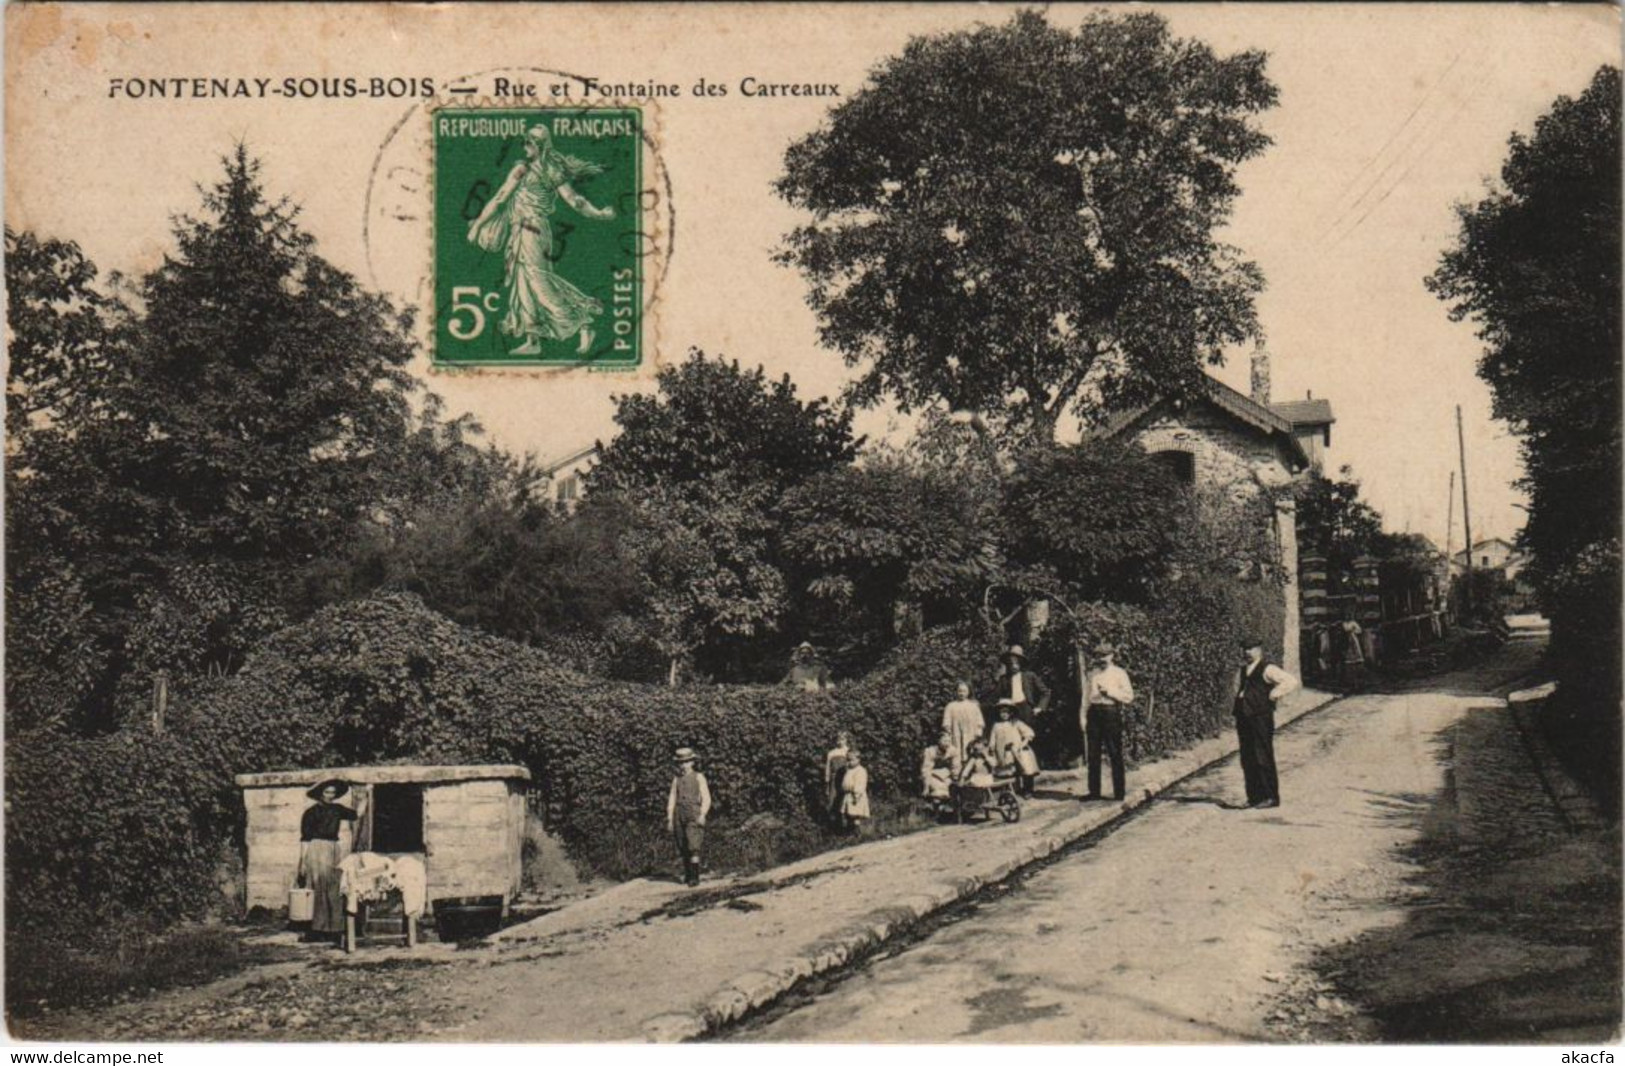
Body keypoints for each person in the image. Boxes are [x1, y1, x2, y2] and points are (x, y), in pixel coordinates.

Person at [467, 124, 616, 356]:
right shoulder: (540, 169)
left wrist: (477, 225)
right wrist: (598, 213)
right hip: (523, 231)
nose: (524, 147)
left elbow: (501, 198)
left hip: (532, 230)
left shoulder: (532, 170)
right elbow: (572, 199)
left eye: (529, 143)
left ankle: (583, 323)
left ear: (539, 145)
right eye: (525, 142)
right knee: (523, 284)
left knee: (539, 282)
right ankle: (533, 339)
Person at [1234, 637, 1300, 809]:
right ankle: (1254, 797)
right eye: (1245, 649)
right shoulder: (1244, 669)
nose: (1247, 652)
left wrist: (1273, 694)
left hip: (1260, 717)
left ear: (1259, 650)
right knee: (1247, 757)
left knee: (1262, 755)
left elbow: (1290, 681)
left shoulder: (1268, 668)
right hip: (1244, 716)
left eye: (1251, 648)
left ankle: (1271, 797)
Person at [298, 779, 358, 944]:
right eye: (326, 792)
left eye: (332, 793)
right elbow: (305, 839)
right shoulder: (310, 813)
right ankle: (316, 929)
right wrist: (303, 861)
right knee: (317, 887)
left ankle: (335, 929)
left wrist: (365, 795)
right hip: (316, 849)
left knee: (335, 887)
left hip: (333, 849)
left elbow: (355, 814)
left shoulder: (338, 810)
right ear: (320, 794)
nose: (330, 796)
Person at [1083, 642, 1135, 801]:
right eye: (1099, 656)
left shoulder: (1119, 673)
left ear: (1112, 656)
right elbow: (1085, 698)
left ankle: (1119, 793)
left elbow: (1128, 696)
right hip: (1094, 713)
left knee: (1114, 752)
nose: (1102, 659)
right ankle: (1094, 792)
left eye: (1105, 655)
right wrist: (1083, 717)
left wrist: (1111, 692)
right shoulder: (1092, 674)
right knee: (1093, 754)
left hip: (1110, 712)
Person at [666, 747, 712, 886]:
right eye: (680, 763)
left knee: (693, 845)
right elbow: (672, 798)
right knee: (682, 844)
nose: (683, 765)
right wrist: (669, 818)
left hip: (693, 811)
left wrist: (703, 814)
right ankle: (687, 873)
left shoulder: (699, 777)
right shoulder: (676, 779)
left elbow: (706, 797)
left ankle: (695, 876)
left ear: (692, 762)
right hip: (679, 813)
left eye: (686, 762)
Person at [989, 700, 1039, 796]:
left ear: (1011, 713)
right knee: (1009, 771)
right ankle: (1014, 789)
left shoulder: (1016, 723)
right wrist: (991, 747)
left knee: (1025, 769)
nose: (1004, 715)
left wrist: (1024, 743)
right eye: (1002, 712)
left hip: (1017, 751)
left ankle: (1028, 789)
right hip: (1003, 752)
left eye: (1006, 712)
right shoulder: (996, 725)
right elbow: (993, 738)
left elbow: (1029, 733)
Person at [940, 681, 985, 764]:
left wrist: (979, 731)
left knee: (970, 749)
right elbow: (947, 720)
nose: (962, 693)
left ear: (968, 692)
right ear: (956, 692)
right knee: (956, 749)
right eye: (960, 691)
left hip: (970, 732)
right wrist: (947, 728)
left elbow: (979, 721)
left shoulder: (973, 706)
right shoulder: (951, 706)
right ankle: (957, 767)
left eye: (964, 691)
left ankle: (969, 767)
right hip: (956, 732)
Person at [920, 732, 961, 800]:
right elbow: (926, 769)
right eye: (944, 741)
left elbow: (955, 766)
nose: (947, 744)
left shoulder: (953, 751)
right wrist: (926, 787)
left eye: (949, 741)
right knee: (937, 791)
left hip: (947, 775)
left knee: (948, 789)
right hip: (933, 775)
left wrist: (955, 777)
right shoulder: (930, 751)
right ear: (938, 741)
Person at [823, 731, 851, 821]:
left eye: (842, 739)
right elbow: (827, 768)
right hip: (834, 779)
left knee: (845, 800)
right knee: (833, 799)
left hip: (845, 778)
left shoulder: (848, 751)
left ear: (846, 740)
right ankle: (833, 823)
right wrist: (827, 781)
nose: (840, 742)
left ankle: (846, 823)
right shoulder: (831, 753)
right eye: (838, 739)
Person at [839, 750, 870, 832]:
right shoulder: (849, 770)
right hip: (848, 795)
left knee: (856, 814)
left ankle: (856, 832)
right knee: (848, 814)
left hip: (855, 796)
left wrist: (856, 795)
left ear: (858, 760)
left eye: (851, 760)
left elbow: (860, 784)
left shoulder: (860, 771)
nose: (849, 762)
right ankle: (849, 831)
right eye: (848, 760)